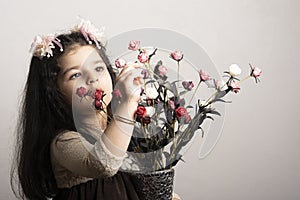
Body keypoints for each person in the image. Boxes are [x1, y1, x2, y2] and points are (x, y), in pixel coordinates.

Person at [10, 19, 181, 200]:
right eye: (75, 74)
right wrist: (128, 105)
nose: (92, 79)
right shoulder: (63, 143)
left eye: (98, 68)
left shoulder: (124, 132)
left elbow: (145, 183)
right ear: (53, 92)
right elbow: (104, 164)